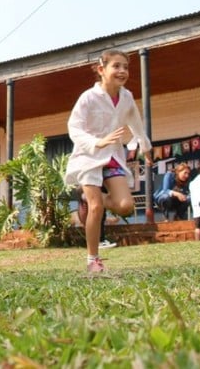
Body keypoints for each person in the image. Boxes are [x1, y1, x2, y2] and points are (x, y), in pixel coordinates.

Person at [65, 49, 152, 273]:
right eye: (116, 66)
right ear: (102, 70)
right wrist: (97, 142)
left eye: (125, 67)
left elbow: (136, 122)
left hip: (112, 156)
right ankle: (93, 259)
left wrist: (145, 146)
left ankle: (88, 195)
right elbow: (74, 127)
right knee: (95, 208)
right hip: (89, 157)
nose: (122, 71)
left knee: (125, 206)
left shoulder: (127, 97)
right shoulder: (88, 97)